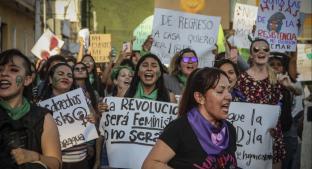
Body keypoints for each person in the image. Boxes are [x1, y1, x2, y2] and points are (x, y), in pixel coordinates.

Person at [142, 67, 237, 168]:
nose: (229, 96)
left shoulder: (230, 130)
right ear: (200, 97)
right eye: (220, 91)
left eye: (229, 90)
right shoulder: (180, 128)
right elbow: (150, 165)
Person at [0, 49, 61, 169]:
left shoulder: (43, 118)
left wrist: (35, 157)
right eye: (0, 70)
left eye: (13, 70)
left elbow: (56, 164)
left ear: (27, 79)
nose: (3, 74)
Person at [236, 39, 286, 169]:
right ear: (251, 55)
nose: (261, 52)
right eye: (256, 49)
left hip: (271, 134)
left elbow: (297, 93)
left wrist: (290, 86)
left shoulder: (276, 77)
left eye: (265, 49)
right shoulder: (242, 79)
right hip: (248, 137)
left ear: (269, 53)